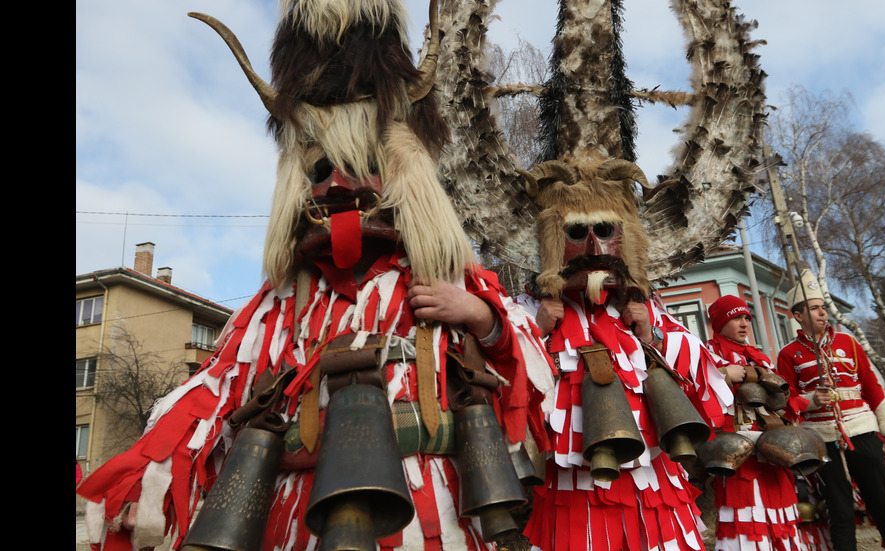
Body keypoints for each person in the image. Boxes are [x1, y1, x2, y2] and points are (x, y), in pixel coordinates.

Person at [75, 2, 555, 550]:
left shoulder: (447, 280)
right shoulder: (277, 304)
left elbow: (537, 380)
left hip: (435, 516)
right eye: (322, 170)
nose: (338, 187)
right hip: (298, 518)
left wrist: (482, 316)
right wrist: (150, 481)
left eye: (361, 162)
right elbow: (215, 388)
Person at [516, 158, 733, 551]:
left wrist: (652, 333)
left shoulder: (647, 310)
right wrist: (538, 333)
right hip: (572, 490)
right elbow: (504, 390)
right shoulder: (529, 310)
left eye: (605, 230)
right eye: (577, 232)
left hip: (655, 488)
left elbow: (710, 390)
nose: (595, 247)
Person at [775, 270, 885, 551]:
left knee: (884, 505)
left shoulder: (849, 343)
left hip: (863, 432)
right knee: (840, 512)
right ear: (798, 315)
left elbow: (874, 389)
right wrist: (811, 400)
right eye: (815, 308)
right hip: (822, 440)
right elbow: (788, 400)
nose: (823, 313)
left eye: (823, 307)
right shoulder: (788, 354)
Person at [704, 295, 807, 550]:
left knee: (781, 516)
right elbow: (694, 393)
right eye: (736, 317)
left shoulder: (760, 358)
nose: (744, 324)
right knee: (745, 519)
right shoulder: (705, 354)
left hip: (772, 446)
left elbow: (786, 402)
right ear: (720, 321)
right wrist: (722, 376)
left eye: (746, 318)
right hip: (734, 449)